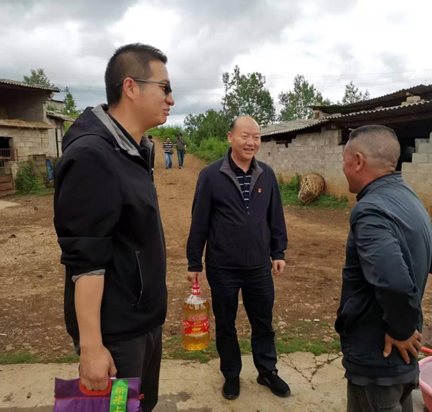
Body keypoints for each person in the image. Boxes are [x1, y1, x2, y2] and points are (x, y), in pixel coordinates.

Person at [53, 43, 174, 412]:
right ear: (131, 87)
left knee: (142, 406)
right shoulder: (93, 156)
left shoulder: (131, 150)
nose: (170, 98)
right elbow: (85, 261)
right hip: (117, 337)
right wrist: (92, 347)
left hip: (143, 323)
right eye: (164, 88)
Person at [336, 125, 432, 412]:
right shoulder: (408, 197)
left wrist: (400, 329)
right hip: (403, 357)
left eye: (344, 161)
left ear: (358, 161)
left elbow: (394, 283)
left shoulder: (371, 210)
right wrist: (414, 301)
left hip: (379, 356)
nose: (343, 168)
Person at [186, 116, 290, 401]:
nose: (251, 142)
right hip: (222, 267)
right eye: (245, 136)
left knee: (263, 322)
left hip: (258, 265)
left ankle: (266, 370)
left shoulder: (266, 174)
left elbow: (275, 215)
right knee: (226, 324)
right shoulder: (210, 175)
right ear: (230, 137)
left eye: (256, 137)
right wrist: (194, 261)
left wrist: (278, 252)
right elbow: (199, 220)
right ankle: (231, 374)